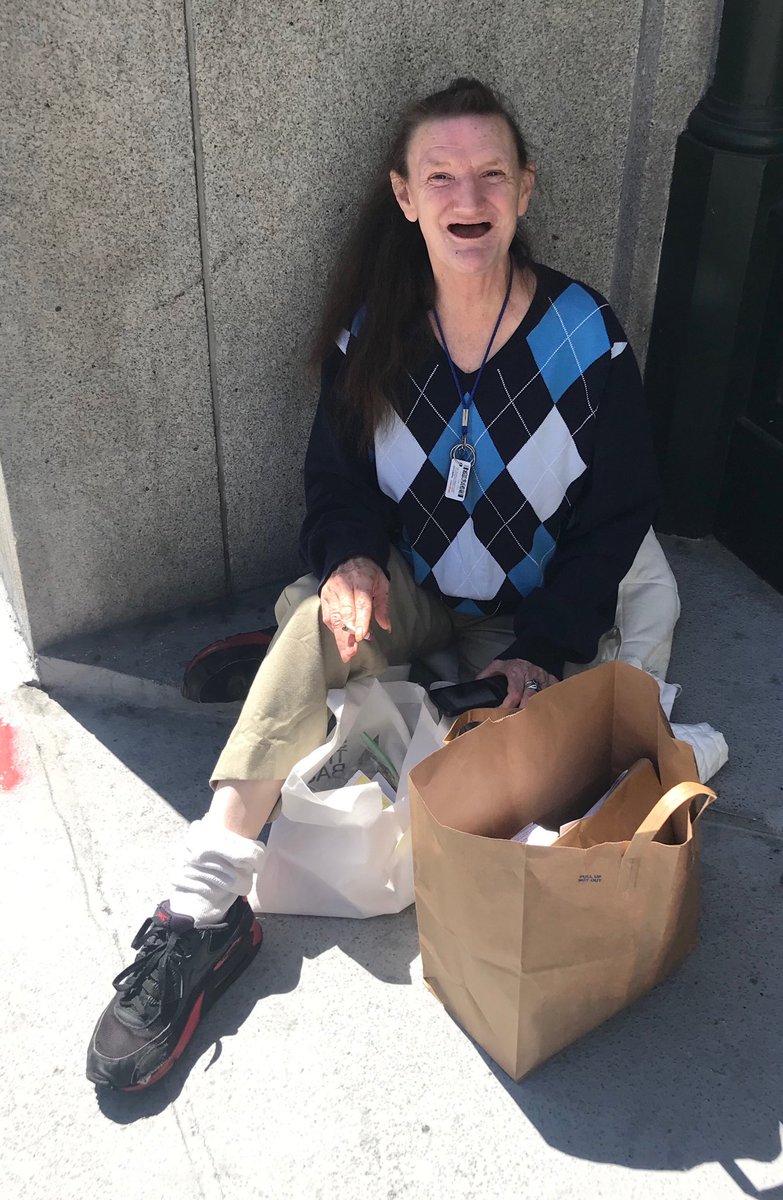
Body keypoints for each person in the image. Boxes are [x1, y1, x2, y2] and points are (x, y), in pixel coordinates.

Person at [86, 77, 660, 1091]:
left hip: (528, 616)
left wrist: (544, 649)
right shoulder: (375, 332)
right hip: (419, 586)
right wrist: (350, 554)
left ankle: (291, 676)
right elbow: (335, 484)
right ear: (404, 196)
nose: (467, 196)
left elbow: (615, 520)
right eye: (440, 176)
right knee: (323, 619)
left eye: (490, 173)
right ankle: (201, 909)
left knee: (540, 787)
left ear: (525, 189)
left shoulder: (588, 337)